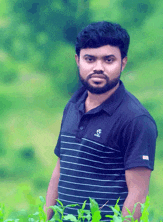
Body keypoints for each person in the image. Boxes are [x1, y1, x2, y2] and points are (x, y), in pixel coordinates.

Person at [44, 21, 157, 221]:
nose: (98, 68)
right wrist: (44, 216)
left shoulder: (136, 120)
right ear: (78, 60)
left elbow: (137, 194)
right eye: (90, 59)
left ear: (123, 62)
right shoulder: (73, 104)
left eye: (108, 60)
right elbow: (61, 167)